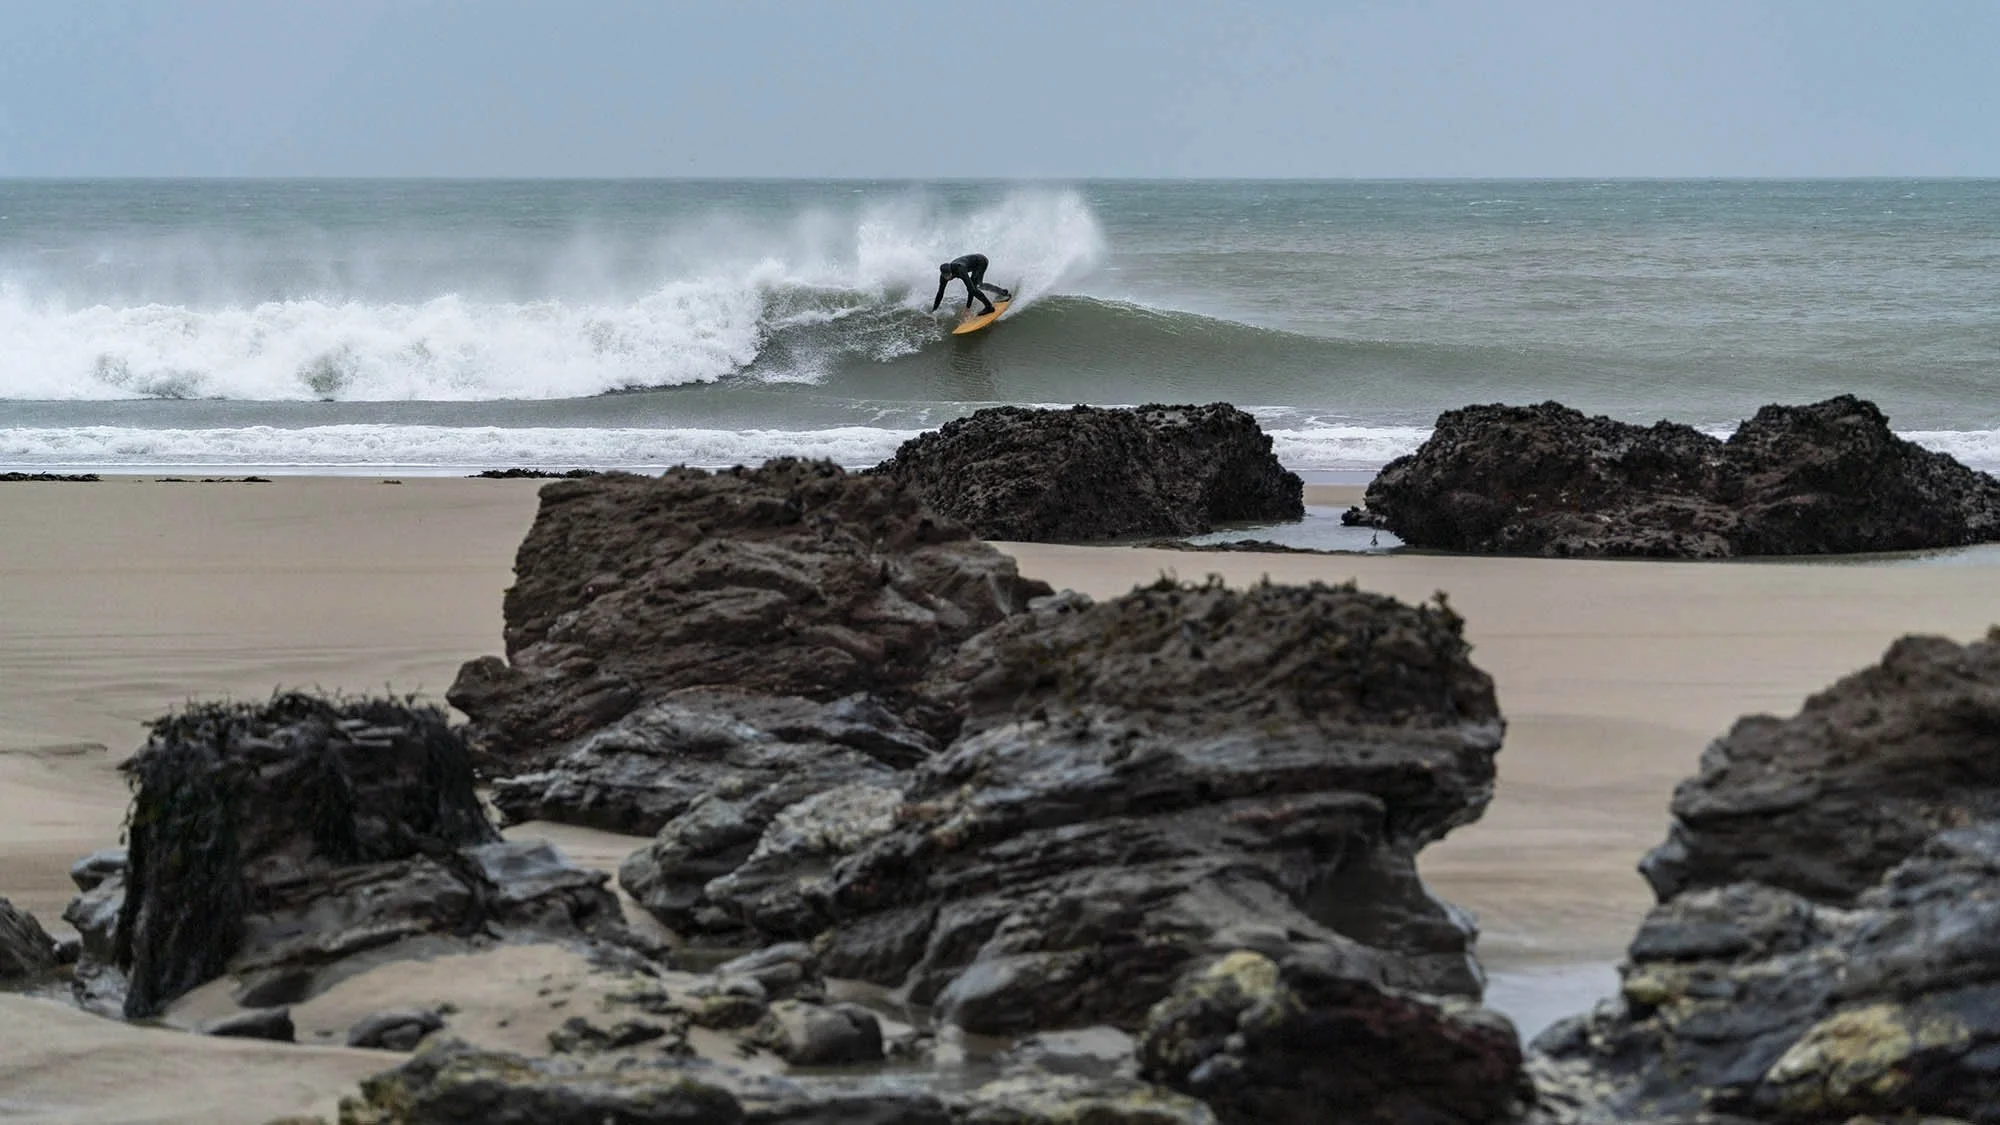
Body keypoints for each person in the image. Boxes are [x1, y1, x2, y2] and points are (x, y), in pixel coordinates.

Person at [931, 253, 1011, 317]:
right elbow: (940, 293)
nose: (948, 278)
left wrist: (967, 307)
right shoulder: (943, 277)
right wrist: (934, 310)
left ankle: (989, 307)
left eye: (949, 275)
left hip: (981, 261)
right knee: (978, 285)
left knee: (976, 287)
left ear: (951, 271)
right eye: (946, 276)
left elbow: (971, 289)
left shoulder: (960, 269)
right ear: (942, 274)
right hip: (974, 264)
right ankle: (1003, 292)